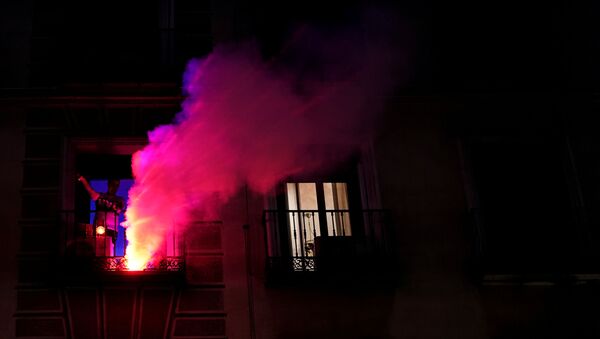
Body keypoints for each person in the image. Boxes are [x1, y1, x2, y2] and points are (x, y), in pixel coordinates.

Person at [78, 175, 125, 255]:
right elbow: (90, 191)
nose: (114, 187)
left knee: (109, 249)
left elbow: (119, 209)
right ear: (109, 184)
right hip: (98, 227)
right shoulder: (100, 196)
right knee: (98, 248)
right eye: (113, 184)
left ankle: (107, 264)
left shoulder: (119, 200)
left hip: (112, 229)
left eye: (117, 185)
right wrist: (83, 180)